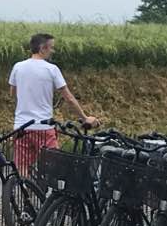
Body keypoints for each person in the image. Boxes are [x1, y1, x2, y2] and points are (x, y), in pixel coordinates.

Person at [8, 33, 100, 176]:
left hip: (21, 127)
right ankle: (50, 195)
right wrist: (84, 117)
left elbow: (12, 93)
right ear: (42, 48)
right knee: (54, 166)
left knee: (22, 168)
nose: (53, 51)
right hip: (43, 127)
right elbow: (68, 97)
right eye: (51, 47)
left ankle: (23, 193)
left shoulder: (18, 67)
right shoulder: (51, 69)